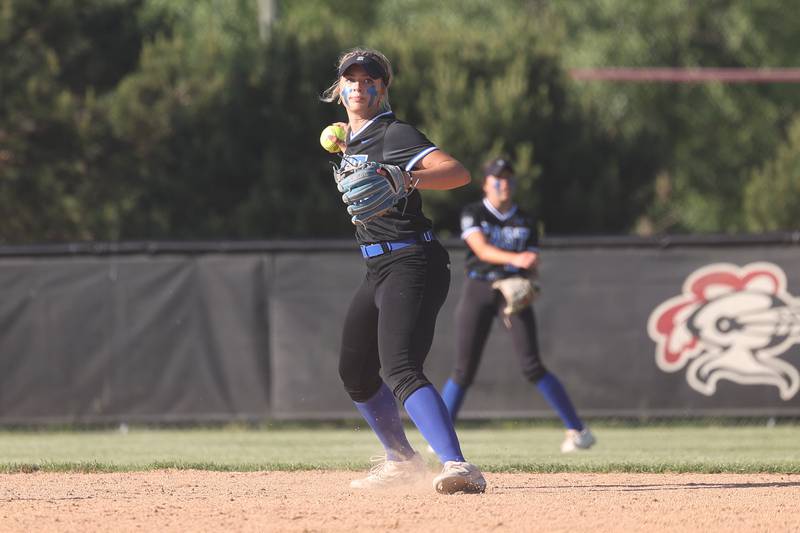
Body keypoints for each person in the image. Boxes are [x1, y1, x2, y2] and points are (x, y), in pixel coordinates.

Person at [320, 48, 486, 494]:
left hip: (413, 260)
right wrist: (346, 144)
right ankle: (400, 461)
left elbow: (457, 172)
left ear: (384, 87)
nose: (358, 85)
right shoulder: (348, 138)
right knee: (355, 372)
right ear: (339, 90)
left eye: (368, 78)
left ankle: (457, 465)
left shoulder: (395, 134)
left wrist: (406, 178)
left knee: (400, 368)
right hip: (377, 266)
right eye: (350, 78)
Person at [439, 157, 596, 453]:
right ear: (486, 183)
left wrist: (530, 273)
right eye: (498, 178)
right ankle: (441, 435)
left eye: (509, 178)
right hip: (480, 287)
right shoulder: (473, 213)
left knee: (532, 365)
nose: (504, 183)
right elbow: (481, 249)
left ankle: (578, 431)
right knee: (463, 369)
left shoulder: (525, 219)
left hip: (512, 292)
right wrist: (516, 259)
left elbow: (531, 261)